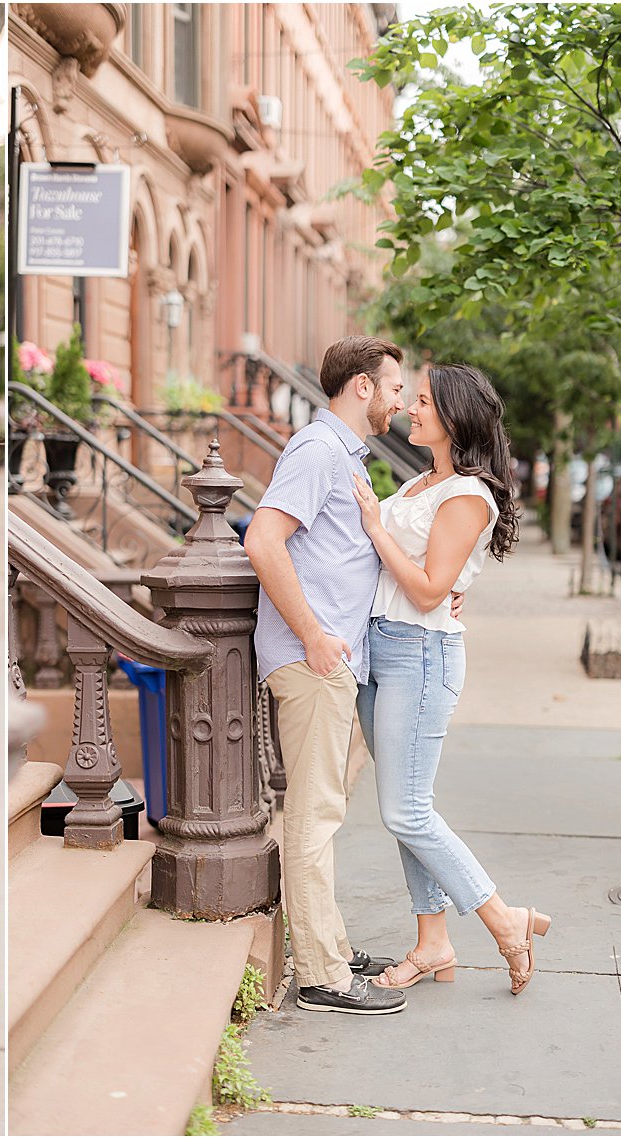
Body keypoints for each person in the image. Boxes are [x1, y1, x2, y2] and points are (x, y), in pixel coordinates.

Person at [350, 362, 550, 994]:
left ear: (457, 418)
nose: (412, 405)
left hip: (421, 655)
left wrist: (378, 531)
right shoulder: (423, 483)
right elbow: (426, 578)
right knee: (409, 807)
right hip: (382, 649)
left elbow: (433, 591)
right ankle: (433, 943)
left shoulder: (466, 494)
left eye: (427, 401)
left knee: (404, 810)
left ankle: (503, 919)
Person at [244, 335, 410, 1015]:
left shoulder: (342, 455)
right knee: (312, 816)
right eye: (395, 386)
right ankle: (320, 975)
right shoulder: (317, 450)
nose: (400, 399)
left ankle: (331, 945)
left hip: (337, 667)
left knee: (323, 812)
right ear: (362, 387)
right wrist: (313, 635)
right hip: (314, 665)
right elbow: (262, 538)